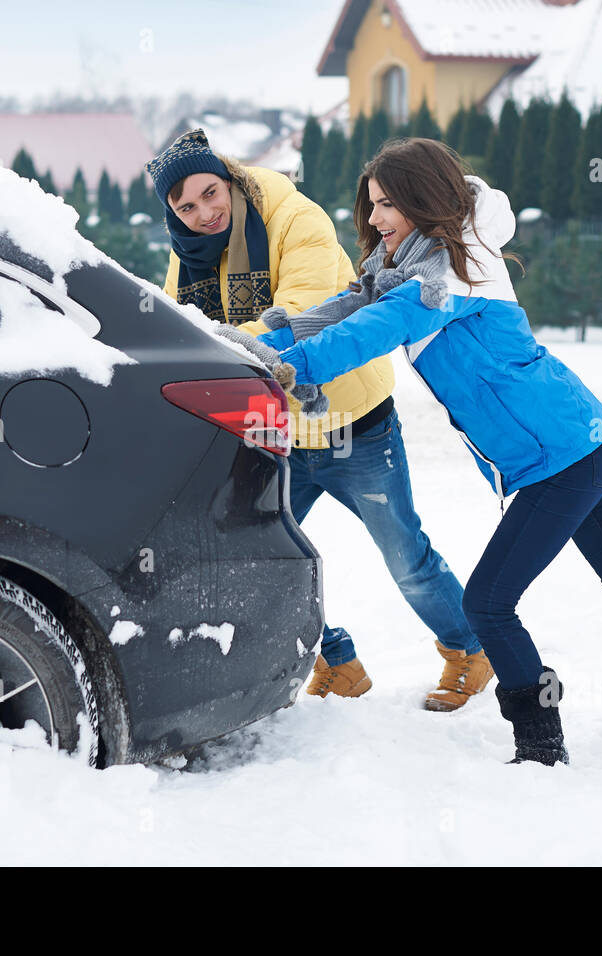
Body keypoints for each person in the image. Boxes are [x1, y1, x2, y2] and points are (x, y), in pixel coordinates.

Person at [262, 137, 602, 781]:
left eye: (385, 205)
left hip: (564, 457)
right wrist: (256, 347)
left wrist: (288, 370)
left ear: (421, 199)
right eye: (371, 205)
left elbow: (370, 330)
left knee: (489, 603)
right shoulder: (414, 264)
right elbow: (347, 309)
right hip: (580, 440)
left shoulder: (452, 273)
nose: (374, 218)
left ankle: (543, 749)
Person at [147, 129, 493, 711]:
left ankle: (469, 650)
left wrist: (223, 351)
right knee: (247, 556)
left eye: (211, 193)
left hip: (350, 422)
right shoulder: (190, 256)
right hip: (271, 428)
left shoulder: (293, 218)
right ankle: (337, 660)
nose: (205, 213)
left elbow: (305, 314)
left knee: (405, 555)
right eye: (186, 206)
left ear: (229, 180)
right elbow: (186, 328)